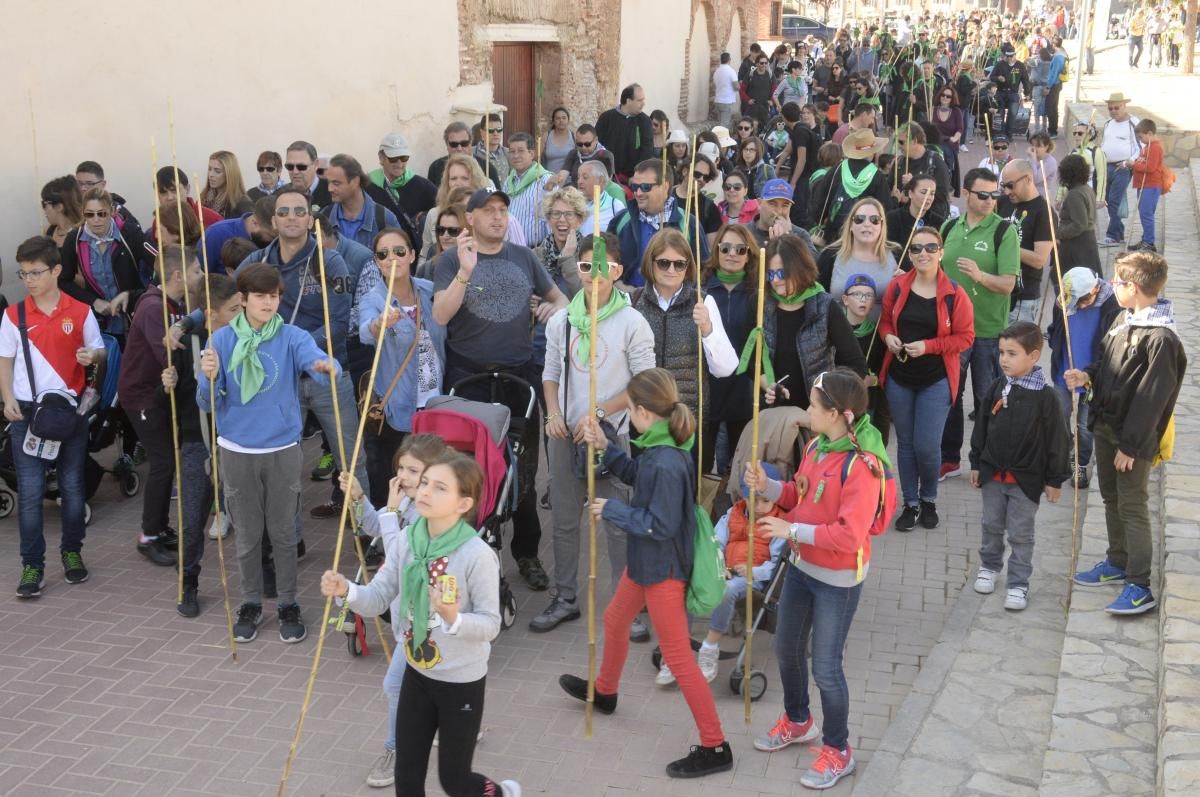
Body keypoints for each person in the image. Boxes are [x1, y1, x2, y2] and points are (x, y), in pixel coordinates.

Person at [560, 368, 735, 780]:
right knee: (615, 619)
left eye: (628, 407)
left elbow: (660, 524)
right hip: (647, 564)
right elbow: (640, 477)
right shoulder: (664, 447)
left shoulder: (666, 461)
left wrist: (614, 510)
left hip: (662, 570)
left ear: (641, 412)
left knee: (676, 656)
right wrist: (608, 447)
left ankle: (715, 745)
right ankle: (605, 692)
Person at [321, 452, 520, 797]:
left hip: (460, 682)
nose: (426, 491)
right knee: (408, 776)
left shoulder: (476, 555)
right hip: (417, 672)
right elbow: (381, 595)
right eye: (425, 482)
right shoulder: (408, 539)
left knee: (455, 780)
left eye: (440, 487)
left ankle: (501, 794)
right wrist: (347, 590)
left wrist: (453, 618)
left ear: (464, 503)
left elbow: (490, 624)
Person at [746, 368, 896, 791]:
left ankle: (839, 750)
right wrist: (772, 489)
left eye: (813, 405)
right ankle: (798, 720)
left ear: (837, 414)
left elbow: (850, 535)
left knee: (827, 668)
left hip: (838, 579)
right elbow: (800, 491)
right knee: (786, 649)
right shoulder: (816, 445)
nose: (807, 410)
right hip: (801, 568)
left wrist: (790, 531)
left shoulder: (863, 467)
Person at [433, 188, 566, 591]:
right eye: (488, 211)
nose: (497, 217)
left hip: (518, 376)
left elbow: (561, 298)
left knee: (522, 469)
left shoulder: (524, 257)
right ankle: (472, 553)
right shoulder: (450, 259)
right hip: (467, 377)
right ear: (470, 218)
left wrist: (551, 307)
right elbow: (440, 314)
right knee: (469, 470)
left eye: (503, 210)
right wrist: (465, 272)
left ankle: (526, 554)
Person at [198, 263, 335, 643]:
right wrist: (207, 376)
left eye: (274, 295)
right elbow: (206, 403)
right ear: (243, 299)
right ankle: (251, 602)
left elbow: (317, 360)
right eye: (260, 296)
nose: (268, 303)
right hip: (237, 450)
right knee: (247, 535)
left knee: (284, 532)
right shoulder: (221, 341)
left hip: (282, 448)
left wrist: (327, 366)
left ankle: (288, 602)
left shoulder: (291, 336)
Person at [533, 233, 656, 633]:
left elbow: (644, 383)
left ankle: (630, 604)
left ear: (617, 270)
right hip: (564, 435)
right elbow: (550, 373)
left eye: (602, 266)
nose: (593, 274)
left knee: (617, 521)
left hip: (608, 437)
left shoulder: (632, 322)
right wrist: (553, 414)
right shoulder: (564, 318)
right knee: (566, 520)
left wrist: (600, 413)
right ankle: (565, 596)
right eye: (586, 266)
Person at [1068, 251, 1186, 615]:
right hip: (1105, 424)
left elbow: (1152, 399)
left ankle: (1139, 583)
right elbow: (1108, 363)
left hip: (1131, 439)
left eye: (1118, 282)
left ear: (1133, 287)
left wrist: (1132, 447)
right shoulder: (1123, 318)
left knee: (1132, 505)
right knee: (1110, 498)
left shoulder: (1162, 339)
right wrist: (1088, 373)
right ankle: (1116, 560)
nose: (1112, 287)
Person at [329, 434, 448, 789]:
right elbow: (376, 528)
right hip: (407, 618)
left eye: (413, 470)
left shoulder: (431, 513)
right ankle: (459, 723)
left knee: (395, 685)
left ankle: (395, 749)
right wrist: (360, 499)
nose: (404, 475)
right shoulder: (407, 503)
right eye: (401, 467)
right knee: (437, 682)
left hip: (426, 622)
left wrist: (391, 512)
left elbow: (400, 557)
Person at [1, 236, 107, 598]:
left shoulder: (79, 311)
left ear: (57, 270)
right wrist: (7, 399)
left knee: (73, 487)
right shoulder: (13, 315)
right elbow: (4, 361)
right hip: (26, 413)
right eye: (23, 273)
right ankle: (33, 564)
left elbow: (100, 351)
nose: (28, 279)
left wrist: (90, 358)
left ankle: (72, 553)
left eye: (35, 272)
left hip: (70, 410)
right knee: (30, 494)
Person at [879, 227, 975, 531]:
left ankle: (929, 498)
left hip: (936, 379)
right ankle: (910, 503)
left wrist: (929, 346)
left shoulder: (954, 294)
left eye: (931, 248)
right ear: (909, 254)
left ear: (941, 253)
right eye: (917, 249)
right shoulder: (896, 287)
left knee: (927, 445)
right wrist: (889, 337)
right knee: (905, 444)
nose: (924, 254)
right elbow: (883, 323)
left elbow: (966, 337)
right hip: (900, 376)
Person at [969, 321, 1069, 611]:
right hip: (992, 475)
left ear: (1034, 356)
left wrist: (1054, 479)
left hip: (1026, 480)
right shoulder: (996, 387)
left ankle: (1018, 583)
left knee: (1021, 533)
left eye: (1012, 353)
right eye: (1001, 352)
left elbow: (1058, 440)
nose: (1003, 359)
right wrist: (976, 461)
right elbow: (982, 428)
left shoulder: (1046, 398)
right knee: (990, 524)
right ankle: (989, 566)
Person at [162, 272, 243, 610]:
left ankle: (264, 571)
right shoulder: (189, 341)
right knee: (193, 516)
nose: (241, 314)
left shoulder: (249, 338)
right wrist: (168, 381)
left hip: (240, 439)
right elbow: (178, 393)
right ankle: (188, 582)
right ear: (211, 313)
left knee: (251, 514)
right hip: (199, 439)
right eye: (233, 309)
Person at [119, 245, 203, 567]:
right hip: (142, 395)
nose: (199, 276)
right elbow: (166, 353)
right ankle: (148, 536)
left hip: (156, 393)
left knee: (169, 460)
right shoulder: (154, 307)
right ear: (178, 274)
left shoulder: (174, 303)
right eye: (195, 271)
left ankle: (160, 526)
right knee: (164, 462)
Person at [937, 168, 1023, 481]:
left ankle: (986, 460)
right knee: (950, 396)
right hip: (952, 332)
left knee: (990, 400)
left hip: (988, 332)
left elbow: (1008, 285)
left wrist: (980, 276)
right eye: (982, 195)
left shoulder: (1004, 231)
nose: (989, 201)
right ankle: (949, 459)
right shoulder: (948, 226)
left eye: (994, 195)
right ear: (967, 193)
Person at [358, 228, 446, 506]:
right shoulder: (373, 299)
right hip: (397, 408)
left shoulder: (430, 291)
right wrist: (379, 324)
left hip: (434, 403)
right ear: (376, 262)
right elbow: (364, 330)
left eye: (399, 251)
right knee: (397, 483)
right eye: (383, 254)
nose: (392, 258)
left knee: (431, 479)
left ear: (411, 255)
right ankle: (389, 541)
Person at [694, 464, 788, 682]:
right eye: (754, 499)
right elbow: (715, 544)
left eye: (766, 500)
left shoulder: (778, 524)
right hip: (727, 571)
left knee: (727, 590)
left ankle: (710, 646)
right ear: (744, 497)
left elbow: (775, 566)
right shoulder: (732, 514)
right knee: (689, 576)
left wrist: (752, 572)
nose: (759, 506)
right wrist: (720, 568)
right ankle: (676, 640)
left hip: (755, 579)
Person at [762, 235, 867, 411]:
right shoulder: (760, 304)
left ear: (799, 269)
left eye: (781, 273)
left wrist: (826, 398)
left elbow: (856, 364)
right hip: (774, 412)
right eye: (770, 274)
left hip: (817, 414)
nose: (775, 280)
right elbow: (751, 359)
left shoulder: (825, 306)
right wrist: (769, 386)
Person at [1047, 267, 1122, 489]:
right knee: (1059, 416)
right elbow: (1055, 327)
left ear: (1094, 290)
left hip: (1093, 376)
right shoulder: (1064, 298)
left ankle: (1080, 463)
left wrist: (1093, 372)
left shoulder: (1112, 304)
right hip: (1065, 369)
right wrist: (1054, 341)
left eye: (1079, 302)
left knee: (1085, 425)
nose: (1075, 307)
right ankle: (1065, 452)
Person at [702, 223, 760, 476]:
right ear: (716, 251)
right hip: (707, 387)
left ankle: (730, 514)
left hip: (743, 389)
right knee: (702, 464)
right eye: (725, 247)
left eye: (740, 249)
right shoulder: (700, 289)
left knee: (738, 467)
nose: (732, 253)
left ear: (749, 255)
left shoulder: (757, 294)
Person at [59, 188, 149, 343]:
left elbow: (160, 270)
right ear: (83, 214)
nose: (96, 219)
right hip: (99, 324)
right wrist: (93, 301)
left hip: (134, 319)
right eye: (90, 214)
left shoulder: (129, 233)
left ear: (112, 211)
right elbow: (63, 280)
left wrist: (131, 295)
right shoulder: (75, 239)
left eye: (102, 213)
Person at [609, 159, 707, 285]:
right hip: (629, 299)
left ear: (665, 187)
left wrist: (684, 297)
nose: (638, 193)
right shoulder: (621, 220)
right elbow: (607, 263)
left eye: (645, 187)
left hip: (673, 302)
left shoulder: (688, 222)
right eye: (635, 187)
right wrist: (618, 286)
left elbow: (703, 268)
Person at [808, 128, 892, 246]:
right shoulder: (876, 175)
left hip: (835, 233)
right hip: (863, 235)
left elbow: (820, 199)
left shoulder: (837, 169)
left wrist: (821, 222)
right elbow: (885, 208)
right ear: (872, 152)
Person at [998, 159, 1054, 324]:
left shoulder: (1044, 212)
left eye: (1011, 185)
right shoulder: (1002, 202)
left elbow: (1039, 260)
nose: (1007, 191)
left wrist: (1006, 245)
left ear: (1028, 179)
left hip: (1023, 297)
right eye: (1004, 186)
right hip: (997, 290)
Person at [816, 197, 899, 304]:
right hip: (837, 320)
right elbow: (817, 299)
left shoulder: (897, 255)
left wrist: (905, 282)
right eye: (859, 219)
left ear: (882, 225)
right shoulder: (830, 255)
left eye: (875, 220)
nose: (867, 224)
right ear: (850, 225)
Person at [367, 133, 437, 245]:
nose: (399, 163)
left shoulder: (422, 185)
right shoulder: (368, 185)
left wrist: (424, 215)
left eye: (404, 158)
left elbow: (443, 209)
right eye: (393, 158)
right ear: (381, 159)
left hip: (412, 251)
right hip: (377, 249)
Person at [322, 153, 401, 249]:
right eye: (328, 182)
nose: (329, 188)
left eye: (336, 183)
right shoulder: (324, 217)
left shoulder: (385, 219)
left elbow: (397, 260)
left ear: (355, 181)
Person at [1099, 93, 1142, 247]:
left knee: (1115, 200)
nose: (1114, 110)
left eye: (1117, 107)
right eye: (1111, 108)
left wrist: (1130, 161)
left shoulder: (1133, 122)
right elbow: (1105, 142)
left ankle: (1112, 236)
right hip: (1106, 166)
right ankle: (1119, 233)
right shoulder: (1108, 123)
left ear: (1124, 106)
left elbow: (1140, 146)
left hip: (1122, 168)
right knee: (1109, 201)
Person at [202, 195, 277, 275]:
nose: (276, 241)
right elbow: (201, 277)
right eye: (271, 236)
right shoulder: (217, 233)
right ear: (254, 223)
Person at [595, 84, 655, 180]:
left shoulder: (644, 121)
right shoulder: (606, 118)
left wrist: (637, 174)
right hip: (607, 176)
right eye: (639, 100)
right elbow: (597, 145)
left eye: (643, 100)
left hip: (633, 178)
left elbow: (647, 151)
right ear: (628, 101)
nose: (643, 103)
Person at [1055, 154, 1101, 274]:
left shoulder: (1075, 194)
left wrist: (1058, 233)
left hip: (1077, 246)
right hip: (1086, 242)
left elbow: (1079, 224)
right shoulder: (1086, 189)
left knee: (1067, 281)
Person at [503, 133, 553, 245]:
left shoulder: (545, 180)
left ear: (531, 154)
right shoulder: (508, 182)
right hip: (510, 248)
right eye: (512, 151)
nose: (515, 156)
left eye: (521, 151)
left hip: (535, 249)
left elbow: (552, 218)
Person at [886, 175, 943, 270]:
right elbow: (890, 249)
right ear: (910, 193)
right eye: (923, 192)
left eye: (932, 193)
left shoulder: (939, 222)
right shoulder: (893, 218)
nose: (928, 197)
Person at [1131, 118, 1165, 252]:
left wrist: (1134, 164)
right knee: (1144, 213)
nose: (1140, 140)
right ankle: (1145, 238)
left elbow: (1150, 167)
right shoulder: (1148, 146)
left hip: (1150, 185)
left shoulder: (1155, 147)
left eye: (1141, 137)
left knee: (1146, 213)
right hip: (1144, 185)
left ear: (1149, 133)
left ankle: (1149, 242)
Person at [552, 123, 617, 188]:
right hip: (576, 194)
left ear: (596, 140)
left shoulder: (605, 155)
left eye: (587, 144)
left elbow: (607, 183)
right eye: (579, 144)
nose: (583, 148)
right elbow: (562, 176)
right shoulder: (573, 153)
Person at [200, 151, 252, 220]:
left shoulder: (242, 205)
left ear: (229, 174)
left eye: (217, 171)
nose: (211, 175)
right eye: (209, 169)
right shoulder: (204, 196)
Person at [577, 160, 625, 234]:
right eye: (578, 177)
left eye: (585, 177)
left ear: (600, 180)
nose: (579, 181)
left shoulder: (615, 206)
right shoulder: (572, 204)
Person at [283, 140, 332, 212]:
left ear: (316, 165)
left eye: (301, 167)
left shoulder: (332, 193)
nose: (295, 172)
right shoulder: (280, 195)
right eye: (290, 166)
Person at [40, 176, 84, 248]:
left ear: (59, 207)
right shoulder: (49, 231)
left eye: (44, 204)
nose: (43, 209)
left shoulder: (82, 234)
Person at [741, 52, 776, 128]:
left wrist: (772, 100)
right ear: (756, 64)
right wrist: (747, 100)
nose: (764, 65)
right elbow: (742, 90)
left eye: (766, 63)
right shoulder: (750, 74)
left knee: (765, 128)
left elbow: (775, 90)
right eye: (761, 63)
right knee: (750, 127)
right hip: (751, 108)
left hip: (765, 107)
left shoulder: (770, 75)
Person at [541, 107, 575, 173]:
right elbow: (537, 157)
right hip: (549, 178)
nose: (561, 121)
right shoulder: (547, 135)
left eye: (564, 118)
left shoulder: (574, 136)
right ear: (553, 121)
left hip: (569, 179)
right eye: (558, 118)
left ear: (568, 120)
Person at [1027, 132, 1058, 198]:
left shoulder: (1050, 162)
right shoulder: (1032, 158)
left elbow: (1035, 179)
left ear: (1046, 147)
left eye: (1038, 146)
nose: (1034, 148)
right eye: (1032, 145)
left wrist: (1033, 159)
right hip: (1028, 195)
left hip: (1040, 197)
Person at [714, 52, 740, 128]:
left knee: (720, 123)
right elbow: (736, 87)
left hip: (718, 100)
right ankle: (720, 139)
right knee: (724, 125)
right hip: (726, 101)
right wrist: (740, 85)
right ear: (729, 60)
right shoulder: (731, 71)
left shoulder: (717, 71)